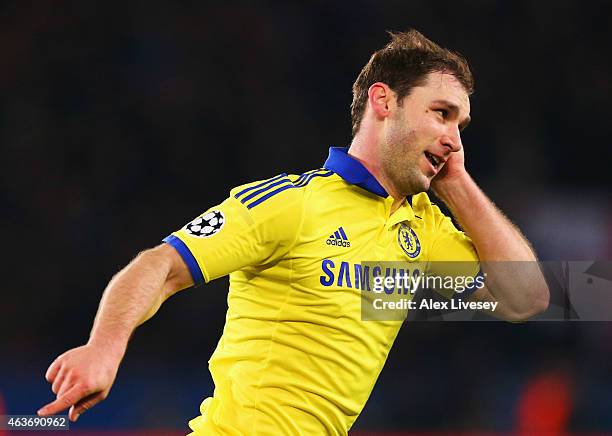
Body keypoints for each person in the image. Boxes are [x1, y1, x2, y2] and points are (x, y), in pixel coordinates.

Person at [38, 29, 549, 434]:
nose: (453, 138)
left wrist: (457, 184)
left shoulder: (423, 227)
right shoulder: (293, 203)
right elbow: (161, 264)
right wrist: (104, 348)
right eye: (441, 114)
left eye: (460, 125)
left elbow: (526, 300)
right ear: (383, 101)